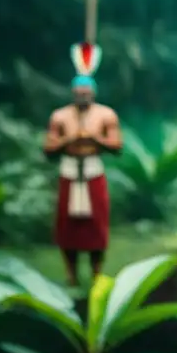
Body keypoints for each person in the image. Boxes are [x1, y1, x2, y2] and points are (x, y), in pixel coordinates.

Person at [42, 42, 122, 288]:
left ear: (93, 93)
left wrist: (93, 138)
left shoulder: (106, 115)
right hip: (69, 171)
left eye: (86, 93)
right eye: (79, 92)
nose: (82, 96)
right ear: (73, 93)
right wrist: (70, 138)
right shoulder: (60, 116)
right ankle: (71, 274)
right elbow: (48, 149)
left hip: (92, 171)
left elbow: (117, 146)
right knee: (68, 227)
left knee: (96, 225)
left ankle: (97, 273)